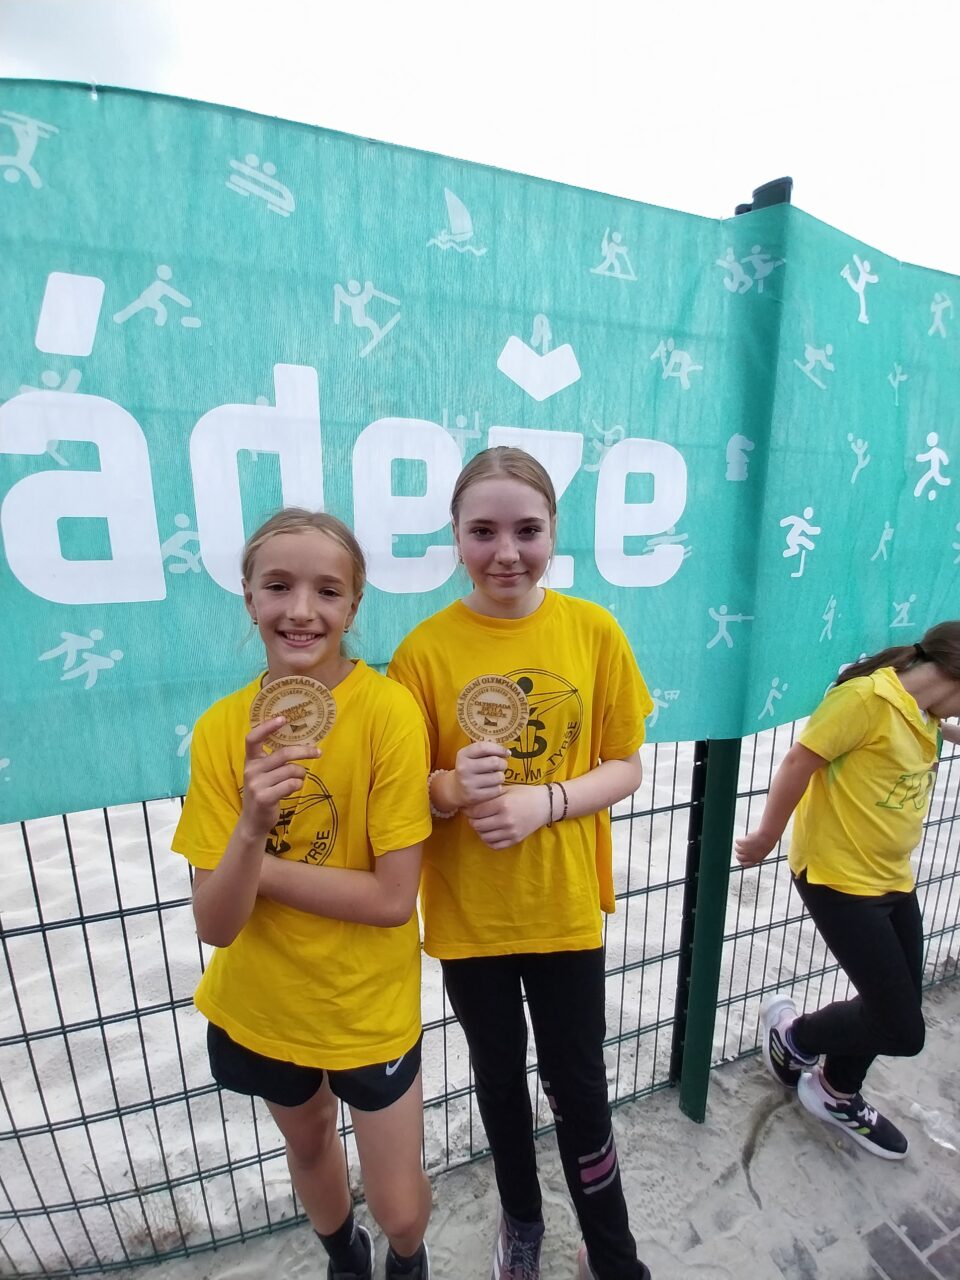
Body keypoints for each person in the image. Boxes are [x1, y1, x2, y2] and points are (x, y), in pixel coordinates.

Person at [388, 448, 653, 1280]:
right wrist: (447, 786)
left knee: (579, 1087)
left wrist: (549, 801)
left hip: (563, 908)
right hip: (470, 920)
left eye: (527, 531)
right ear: (455, 536)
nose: (506, 552)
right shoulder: (423, 653)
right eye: (483, 532)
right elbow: (401, 795)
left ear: (554, 532)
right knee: (499, 1081)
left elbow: (626, 763)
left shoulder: (593, 631)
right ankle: (523, 1220)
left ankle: (613, 1251)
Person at [172, 509, 433, 1280]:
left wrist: (253, 863)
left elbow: (392, 899)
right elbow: (216, 924)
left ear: (354, 606)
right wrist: (251, 826)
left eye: (327, 591)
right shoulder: (221, 731)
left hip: (367, 1004)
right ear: (248, 597)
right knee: (310, 1144)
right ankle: (344, 1257)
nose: (301, 610)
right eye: (278, 586)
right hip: (265, 1003)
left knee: (402, 1208)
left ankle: (406, 1258)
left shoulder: (388, 714)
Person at [736, 623, 960, 1160]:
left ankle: (835, 1091)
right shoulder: (865, 699)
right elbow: (799, 761)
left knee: (894, 1002)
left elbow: (931, 725)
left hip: (891, 876)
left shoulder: (923, 709)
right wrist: (766, 836)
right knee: (902, 1029)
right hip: (838, 878)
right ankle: (795, 1037)